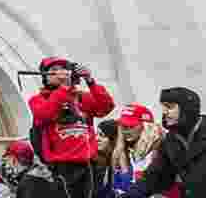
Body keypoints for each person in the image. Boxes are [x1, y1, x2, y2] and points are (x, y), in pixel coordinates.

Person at [28, 58, 115, 198]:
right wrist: (64, 89)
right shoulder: (38, 99)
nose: (60, 73)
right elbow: (45, 114)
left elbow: (106, 107)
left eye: (64, 68)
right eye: (54, 70)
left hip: (87, 164)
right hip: (60, 167)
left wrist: (90, 80)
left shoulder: (81, 97)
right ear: (45, 77)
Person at [125, 87, 205, 198]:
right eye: (163, 107)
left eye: (169, 107)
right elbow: (155, 177)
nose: (164, 112)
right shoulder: (171, 140)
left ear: (187, 108)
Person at [111, 104, 169, 197]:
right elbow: (123, 186)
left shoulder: (162, 149)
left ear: (147, 126)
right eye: (123, 126)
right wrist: (120, 147)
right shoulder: (127, 151)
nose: (126, 131)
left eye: (131, 126)